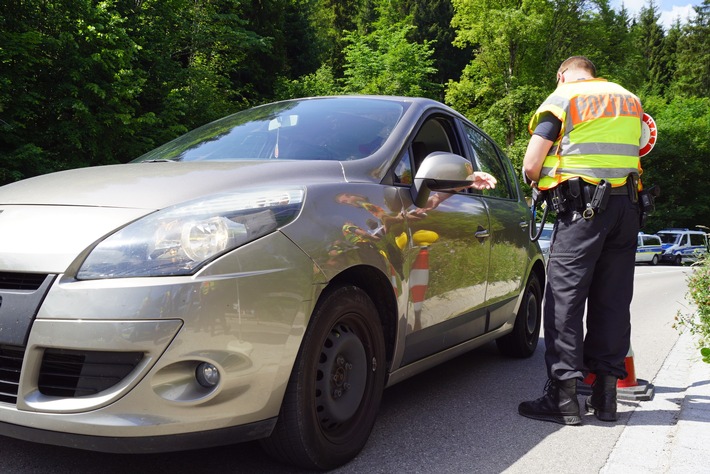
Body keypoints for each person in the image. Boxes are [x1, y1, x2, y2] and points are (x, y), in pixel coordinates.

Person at [518, 56, 643, 425]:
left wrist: (537, 183)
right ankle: (605, 399)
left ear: (562, 74)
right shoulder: (628, 97)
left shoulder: (563, 98)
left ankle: (563, 399)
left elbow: (531, 163)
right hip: (628, 209)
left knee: (564, 300)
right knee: (613, 300)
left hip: (583, 211)